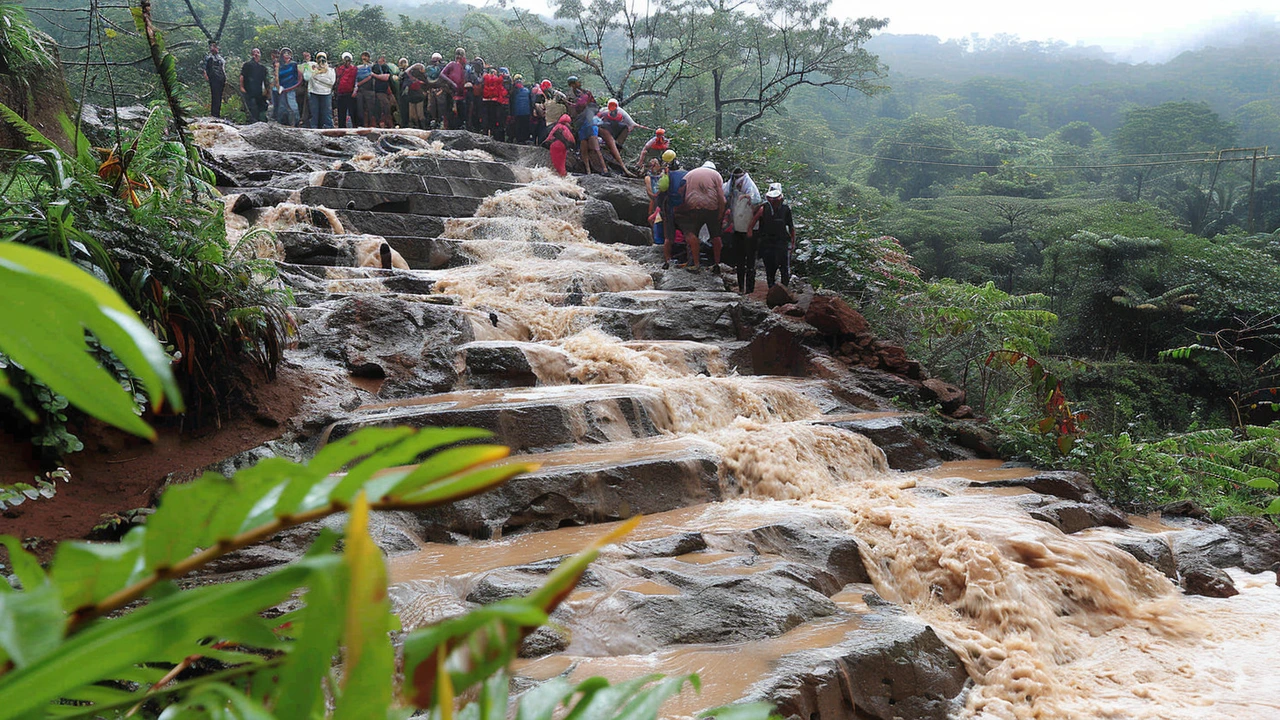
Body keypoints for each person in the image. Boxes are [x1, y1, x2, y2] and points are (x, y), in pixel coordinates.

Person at [672, 161, 725, 272]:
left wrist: (680, 209)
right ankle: (716, 264)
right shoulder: (716, 175)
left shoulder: (690, 174)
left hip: (693, 206)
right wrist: (721, 213)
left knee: (691, 234)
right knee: (716, 236)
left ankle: (695, 263)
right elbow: (721, 197)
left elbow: (680, 192)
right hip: (712, 207)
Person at [724, 167, 762, 293]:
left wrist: (750, 227)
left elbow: (758, 206)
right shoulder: (733, 190)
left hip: (750, 230)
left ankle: (750, 289)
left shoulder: (751, 189)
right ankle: (741, 288)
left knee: (750, 260)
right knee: (739, 260)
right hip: (738, 229)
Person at [755, 183, 795, 288]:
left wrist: (793, 241)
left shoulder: (785, 209)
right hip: (767, 242)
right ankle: (771, 289)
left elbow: (791, 226)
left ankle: (785, 289)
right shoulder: (763, 208)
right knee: (769, 267)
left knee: (784, 267)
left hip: (781, 241)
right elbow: (754, 220)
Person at [657, 157, 688, 269]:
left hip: (670, 209)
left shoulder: (667, 175)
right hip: (685, 209)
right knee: (689, 235)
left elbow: (661, 190)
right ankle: (691, 260)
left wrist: (661, 209)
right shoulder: (688, 174)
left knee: (668, 237)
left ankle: (667, 260)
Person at [596, 99, 637, 174]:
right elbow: (596, 120)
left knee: (624, 127)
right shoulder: (603, 111)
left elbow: (631, 124)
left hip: (615, 130)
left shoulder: (621, 112)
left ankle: (617, 146)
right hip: (606, 129)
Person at [424, 53, 454, 129]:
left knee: (442, 107)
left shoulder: (443, 68)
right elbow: (428, 78)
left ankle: (442, 122)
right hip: (432, 90)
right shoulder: (429, 68)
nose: (436, 62)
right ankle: (435, 121)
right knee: (432, 107)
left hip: (441, 89)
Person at [440, 48, 467, 130]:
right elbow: (442, 74)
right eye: (457, 55)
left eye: (461, 55)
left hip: (461, 94)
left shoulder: (465, 67)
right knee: (450, 113)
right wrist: (452, 83)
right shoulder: (452, 64)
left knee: (460, 114)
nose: (459, 57)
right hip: (451, 93)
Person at [239, 48, 268, 123]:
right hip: (249, 91)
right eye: (254, 52)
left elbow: (265, 80)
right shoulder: (247, 65)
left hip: (259, 92)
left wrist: (266, 90)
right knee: (252, 108)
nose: (256, 54)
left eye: (258, 52)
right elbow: (242, 76)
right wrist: (242, 87)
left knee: (261, 108)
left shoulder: (263, 68)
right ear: (252, 54)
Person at [308, 52, 335, 129]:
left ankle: (329, 128)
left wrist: (317, 77)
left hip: (326, 93)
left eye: (323, 58)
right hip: (314, 93)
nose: (321, 60)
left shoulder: (330, 70)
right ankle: (314, 128)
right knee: (314, 113)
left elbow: (331, 82)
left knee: (327, 113)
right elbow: (307, 77)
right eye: (319, 58)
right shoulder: (312, 68)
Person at [201, 40, 226, 118]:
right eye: (212, 46)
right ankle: (214, 114)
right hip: (214, 78)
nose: (213, 48)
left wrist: (225, 77)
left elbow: (223, 68)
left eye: (215, 46)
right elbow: (204, 68)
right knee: (215, 95)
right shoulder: (208, 57)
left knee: (219, 96)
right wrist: (207, 76)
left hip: (221, 79)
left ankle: (217, 113)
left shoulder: (220, 58)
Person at [577, 110, 607, 175]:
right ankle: (604, 170)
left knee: (585, 152)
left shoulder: (585, 119)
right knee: (595, 151)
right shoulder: (596, 118)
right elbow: (601, 123)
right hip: (590, 132)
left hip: (584, 132)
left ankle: (589, 171)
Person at [276, 48, 301, 126]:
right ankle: (283, 124)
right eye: (285, 53)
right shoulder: (279, 65)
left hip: (291, 88)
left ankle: (296, 123)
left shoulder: (294, 64)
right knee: (282, 108)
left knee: (293, 107)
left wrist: (295, 86)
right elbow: (277, 77)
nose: (287, 55)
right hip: (282, 89)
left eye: (288, 53)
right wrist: (278, 87)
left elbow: (298, 76)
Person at [334, 52, 358, 128]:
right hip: (341, 93)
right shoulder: (339, 69)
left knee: (352, 112)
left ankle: (354, 127)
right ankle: (341, 129)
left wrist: (355, 90)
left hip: (350, 93)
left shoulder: (354, 69)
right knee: (341, 113)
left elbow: (356, 80)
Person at [370, 55, 395, 128]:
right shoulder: (375, 67)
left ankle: (387, 123)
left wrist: (375, 75)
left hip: (386, 90)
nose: (383, 61)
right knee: (383, 107)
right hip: (378, 91)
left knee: (387, 107)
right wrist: (376, 75)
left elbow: (386, 77)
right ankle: (381, 123)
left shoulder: (386, 67)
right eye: (381, 59)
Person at [509, 74, 532, 144]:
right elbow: (530, 102)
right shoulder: (527, 91)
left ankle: (519, 140)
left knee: (518, 126)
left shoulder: (513, 91)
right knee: (525, 125)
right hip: (526, 112)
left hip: (517, 112)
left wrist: (511, 113)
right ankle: (525, 139)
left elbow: (511, 103)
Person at [404, 62, 429, 129]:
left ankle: (423, 128)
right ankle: (416, 127)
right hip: (412, 96)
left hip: (419, 96)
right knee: (413, 116)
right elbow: (407, 72)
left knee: (420, 115)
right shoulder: (410, 75)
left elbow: (426, 85)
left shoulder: (422, 76)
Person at [355, 52, 376, 127]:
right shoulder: (358, 67)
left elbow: (371, 76)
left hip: (370, 90)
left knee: (371, 109)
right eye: (363, 56)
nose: (365, 58)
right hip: (360, 90)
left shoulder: (372, 66)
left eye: (366, 56)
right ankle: (362, 125)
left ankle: (371, 125)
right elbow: (356, 79)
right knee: (360, 109)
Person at [466, 56, 486, 131]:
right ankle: (473, 126)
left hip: (475, 94)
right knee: (474, 111)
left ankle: (474, 126)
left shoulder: (471, 70)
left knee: (474, 111)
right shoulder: (472, 71)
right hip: (474, 94)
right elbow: (477, 80)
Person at [297, 50, 313, 127]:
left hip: (312, 88)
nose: (306, 57)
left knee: (310, 105)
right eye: (305, 56)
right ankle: (303, 120)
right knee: (302, 105)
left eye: (308, 55)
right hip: (302, 89)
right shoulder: (301, 66)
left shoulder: (314, 65)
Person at [394, 57, 410, 128]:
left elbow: (408, 81)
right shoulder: (399, 71)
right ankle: (403, 123)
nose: (403, 64)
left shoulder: (408, 71)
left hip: (406, 93)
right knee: (402, 109)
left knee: (406, 109)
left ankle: (406, 123)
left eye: (404, 63)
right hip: (400, 92)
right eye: (401, 63)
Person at [268, 49, 280, 121]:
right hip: (274, 88)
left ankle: (279, 118)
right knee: (275, 104)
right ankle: (275, 118)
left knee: (280, 104)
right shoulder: (271, 66)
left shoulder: (282, 64)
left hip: (280, 87)